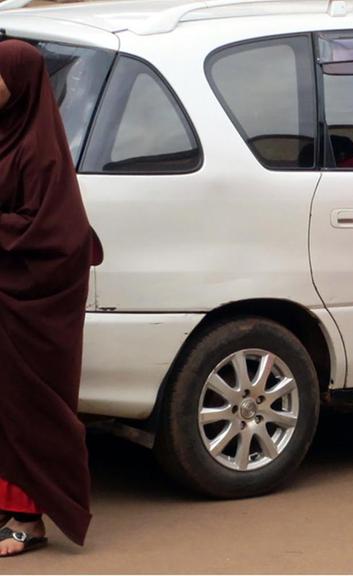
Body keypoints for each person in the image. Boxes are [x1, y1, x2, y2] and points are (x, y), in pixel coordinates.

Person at [0, 39, 102, 555]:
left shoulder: (39, 152)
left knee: (28, 407)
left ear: (18, 83)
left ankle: (27, 520)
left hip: (31, 307)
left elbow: (57, 236)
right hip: (5, 298)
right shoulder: (5, 135)